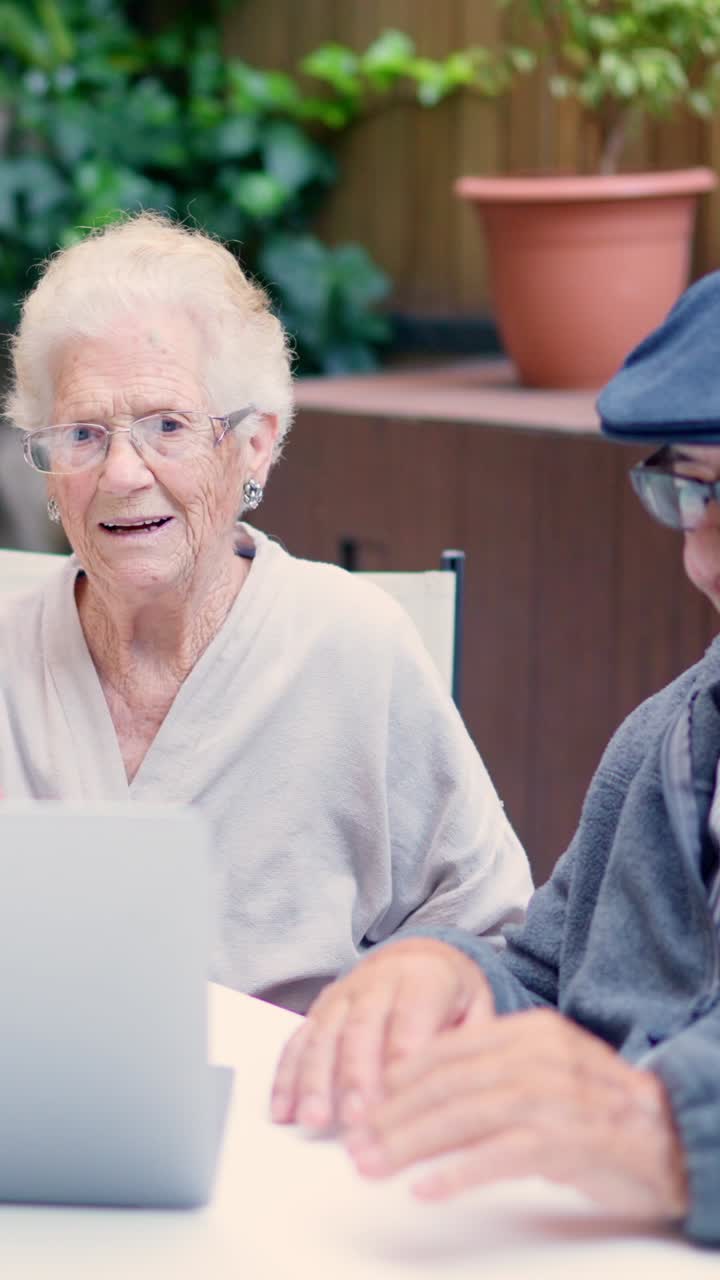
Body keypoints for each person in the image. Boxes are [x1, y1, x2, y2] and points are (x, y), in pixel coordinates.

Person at [271, 270, 720, 1245]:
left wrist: (671, 1129)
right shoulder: (668, 739)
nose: (709, 554)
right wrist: (449, 971)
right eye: (696, 487)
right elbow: (554, 981)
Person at [0, 213, 532, 1014]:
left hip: (291, 1110)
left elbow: (494, 938)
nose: (120, 473)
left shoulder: (355, 645)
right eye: (82, 433)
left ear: (254, 445)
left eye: (167, 427)